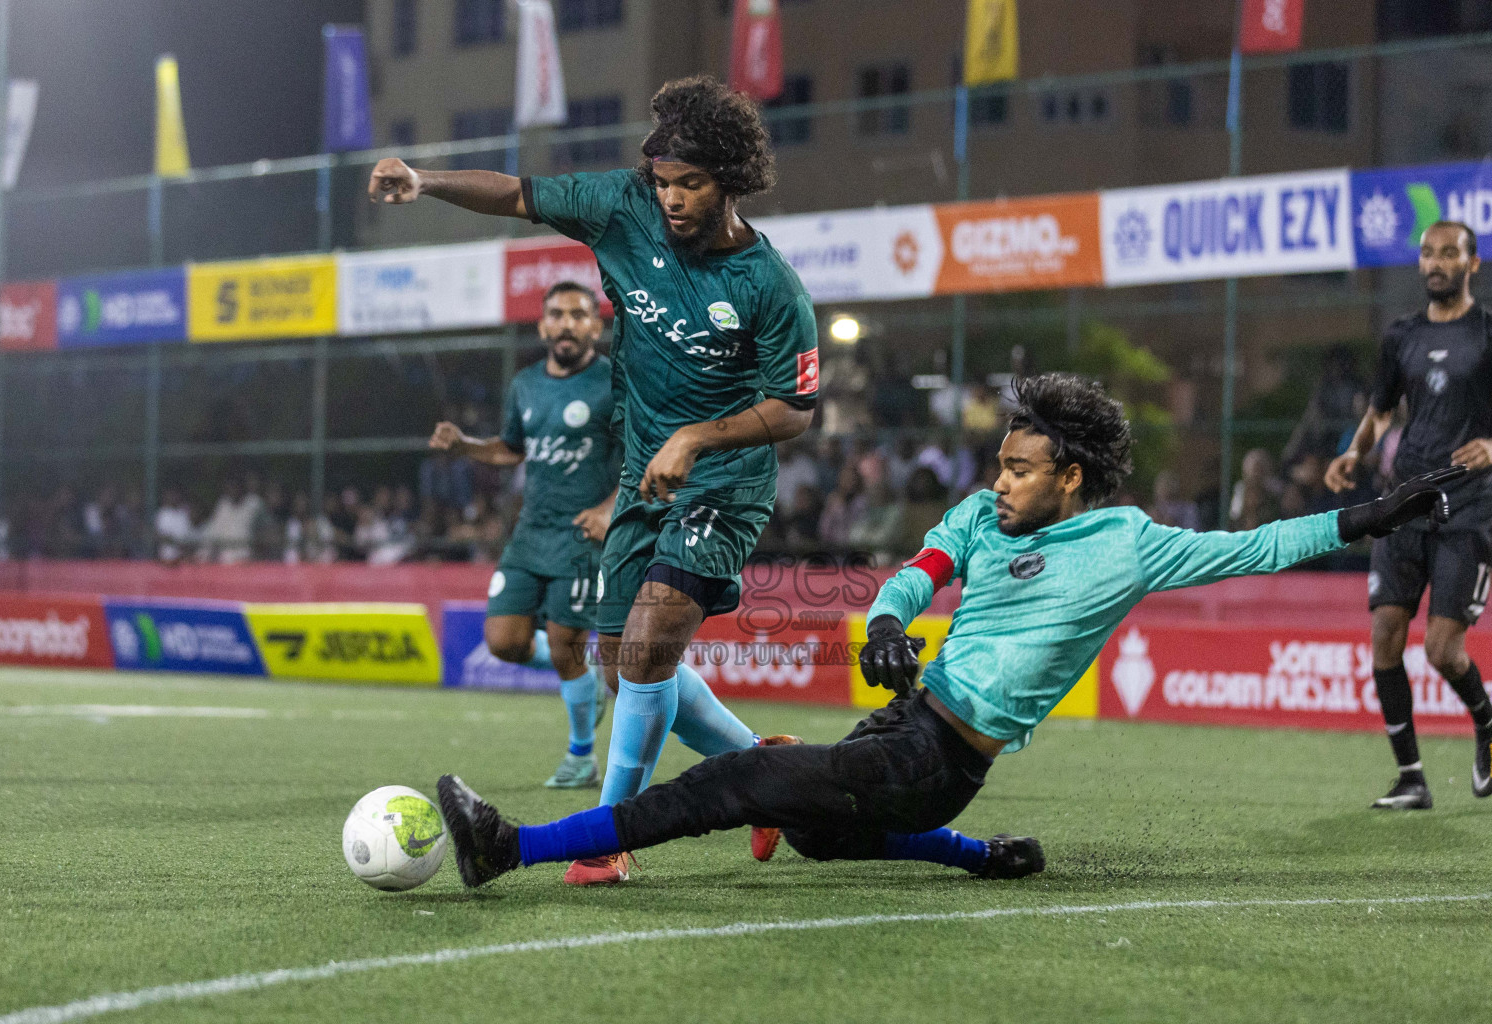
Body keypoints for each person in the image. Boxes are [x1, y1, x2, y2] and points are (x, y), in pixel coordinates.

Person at [430, 374, 1460, 890]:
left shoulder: (1130, 544)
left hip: (943, 759)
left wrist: (1373, 513)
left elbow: (1262, 545)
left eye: (1020, 467)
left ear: (1071, 475)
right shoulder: (977, 515)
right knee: (827, 836)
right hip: (905, 724)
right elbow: (912, 581)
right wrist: (884, 627)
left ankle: (509, 846)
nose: (998, 478)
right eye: (999, 461)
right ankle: (961, 849)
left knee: (727, 784)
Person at [373, 76, 818, 884]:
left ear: (732, 181)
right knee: (622, 666)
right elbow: (516, 195)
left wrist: (696, 436)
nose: (673, 199)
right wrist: (426, 180)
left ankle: (605, 841)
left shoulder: (770, 285)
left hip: (724, 485)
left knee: (646, 652)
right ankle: (767, 774)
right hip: (644, 479)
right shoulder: (621, 206)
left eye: (693, 183)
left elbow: (795, 407)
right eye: (664, 182)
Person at [1324, 219, 1492, 810]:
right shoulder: (1400, 336)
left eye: (1450, 253)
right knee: (1385, 637)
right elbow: (1380, 412)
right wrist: (1354, 452)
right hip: (1404, 504)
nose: (1436, 262)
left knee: (1443, 650)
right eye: (1427, 253)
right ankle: (1412, 778)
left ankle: (1486, 724)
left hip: (1469, 509)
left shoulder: (1488, 333)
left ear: (1473, 263)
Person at [429, 282, 620, 791]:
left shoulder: (613, 383)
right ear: (542, 326)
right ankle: (582, 679)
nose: (566, 324)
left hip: (583, 536)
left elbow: (646, 451)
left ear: (595, 327)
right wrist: (465, 445)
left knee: (564, 649)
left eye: (578, 315)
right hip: (531, 533)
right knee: (504, 642)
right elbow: (512, 448)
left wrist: (609, 507)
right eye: (556, 314)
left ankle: (581, 756)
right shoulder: (526, 384)